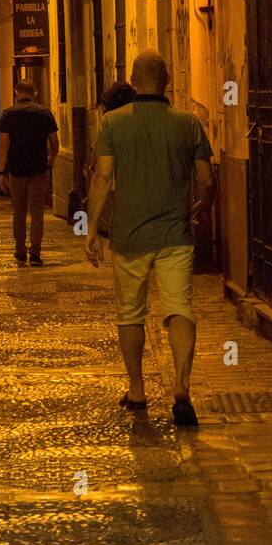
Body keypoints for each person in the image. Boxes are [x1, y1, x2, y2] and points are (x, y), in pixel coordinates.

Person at [84, 49, 215, 428]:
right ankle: (181, 386)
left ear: (132, 81)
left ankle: (137, 389)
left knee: (130, 312)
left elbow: (102, 178)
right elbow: (206, 179)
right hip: (176, 234)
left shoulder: (112, 124)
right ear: (167, 81)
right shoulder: (188, 123)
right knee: (180, 308)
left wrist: (92, 229)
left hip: (129, 235)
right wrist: (201, 208)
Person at [0, 79, 59, 265]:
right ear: (35, 93)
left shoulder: (8, 115)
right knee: (37, 211)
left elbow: (4, 143)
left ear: (16, 92)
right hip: (39, 168)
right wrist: (51, 160)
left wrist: (1, 171)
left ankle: (19, 249)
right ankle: (35, 251)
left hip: (16, 170)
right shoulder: (45, 113)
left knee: (19, 211)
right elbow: (54, 143)